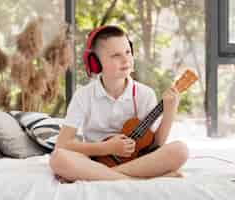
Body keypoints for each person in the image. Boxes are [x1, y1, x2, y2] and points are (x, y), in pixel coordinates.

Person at [49, 25, 188, 182]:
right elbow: (62, 143)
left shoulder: (145, 94)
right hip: (95, 160)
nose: (125, 60)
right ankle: (135, 180)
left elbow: (156, 145)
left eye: (128, 52)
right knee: (58, 158)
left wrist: (170, 111)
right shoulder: (83, 95)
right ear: (96, 63)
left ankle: (102, 175)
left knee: (180, 150)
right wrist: (106, 148)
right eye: (116, 55)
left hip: (137, 161)